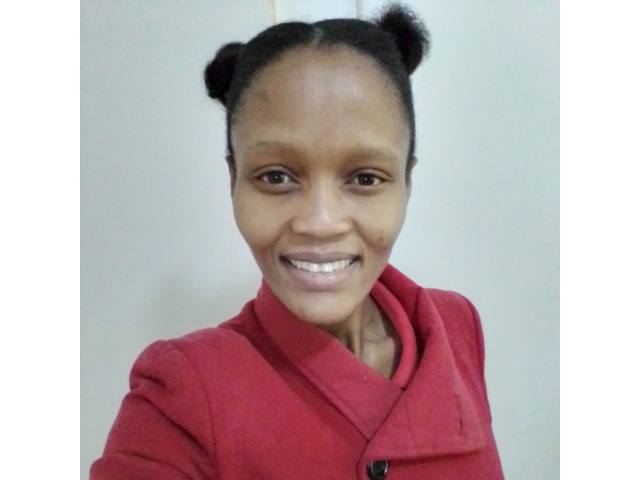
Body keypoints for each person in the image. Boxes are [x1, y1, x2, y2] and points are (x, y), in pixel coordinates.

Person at [90, 4, 503, 479]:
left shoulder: (455, 328)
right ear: (234, 179)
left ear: (406, 181)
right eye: (276, 176)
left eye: (365, 178)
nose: (320, 223)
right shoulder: (178, 398)